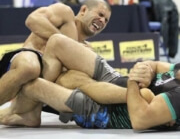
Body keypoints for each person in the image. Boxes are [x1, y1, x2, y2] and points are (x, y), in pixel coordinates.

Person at [1, 33, 180, 130]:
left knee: (33, 85)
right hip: (117, 80)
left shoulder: (177, 97)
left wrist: (134, 80)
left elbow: (140, 120)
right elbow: (155, 65)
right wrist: (146, 69)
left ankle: (28, 110)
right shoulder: (177, 70)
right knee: (56, 42)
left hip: (104, 112)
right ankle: (32, 109)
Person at [0, 0, 111, 107]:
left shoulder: (87, 49)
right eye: (100, 15)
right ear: (83, 10)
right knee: (30, 67)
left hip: (42, 86)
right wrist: (64, 42)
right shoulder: (64, 13)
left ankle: (23, 115)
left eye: (106, 20)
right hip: (28, 58)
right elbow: (32, 19)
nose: (102, 21)